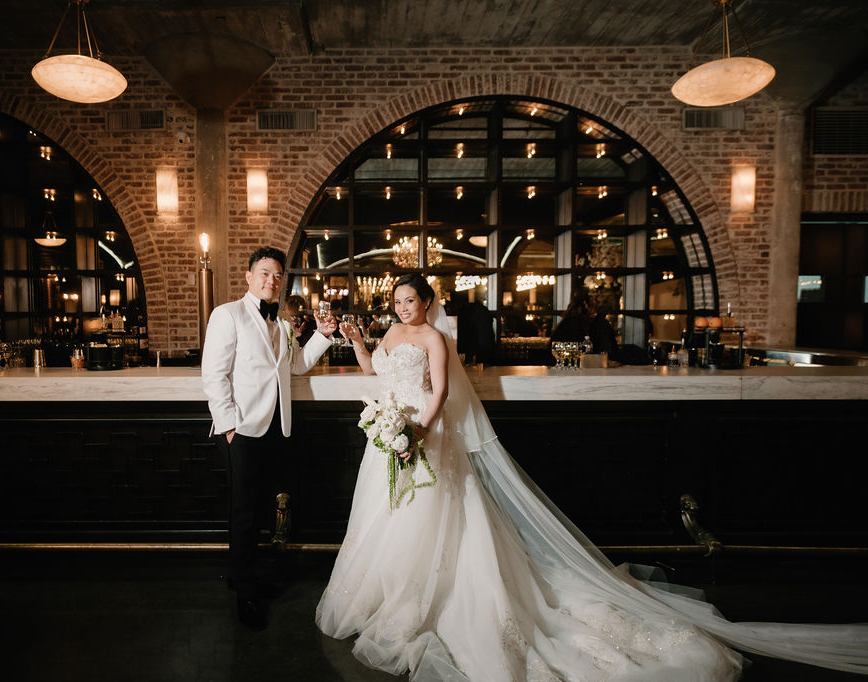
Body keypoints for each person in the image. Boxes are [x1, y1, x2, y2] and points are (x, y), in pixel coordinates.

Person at [317, 272, 867, 680]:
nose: (403, 307)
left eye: (410, 299)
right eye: (397, 300)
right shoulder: (389, 333)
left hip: (425, 439)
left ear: (428, 302)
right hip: (389, 442)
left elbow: (437, 392)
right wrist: (363, 345)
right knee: (387, 520)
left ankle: (433, 599)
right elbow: (374, 372)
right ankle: (390, 596)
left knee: (434, 524)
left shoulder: (436, 340)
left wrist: (419, 434)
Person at [202, 246, 336, 631]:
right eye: (264, 273)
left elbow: (294, 366)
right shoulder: (227, 314)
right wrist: (229, 426)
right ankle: (245, 589)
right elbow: (214, 375)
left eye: (277, 275)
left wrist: (322, 336)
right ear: (248, 276)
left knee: (264, 508)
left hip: (279, 428)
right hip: (243, 428)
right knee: (244, 511)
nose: (271, 281)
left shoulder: (279, 322)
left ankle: (246, 574)